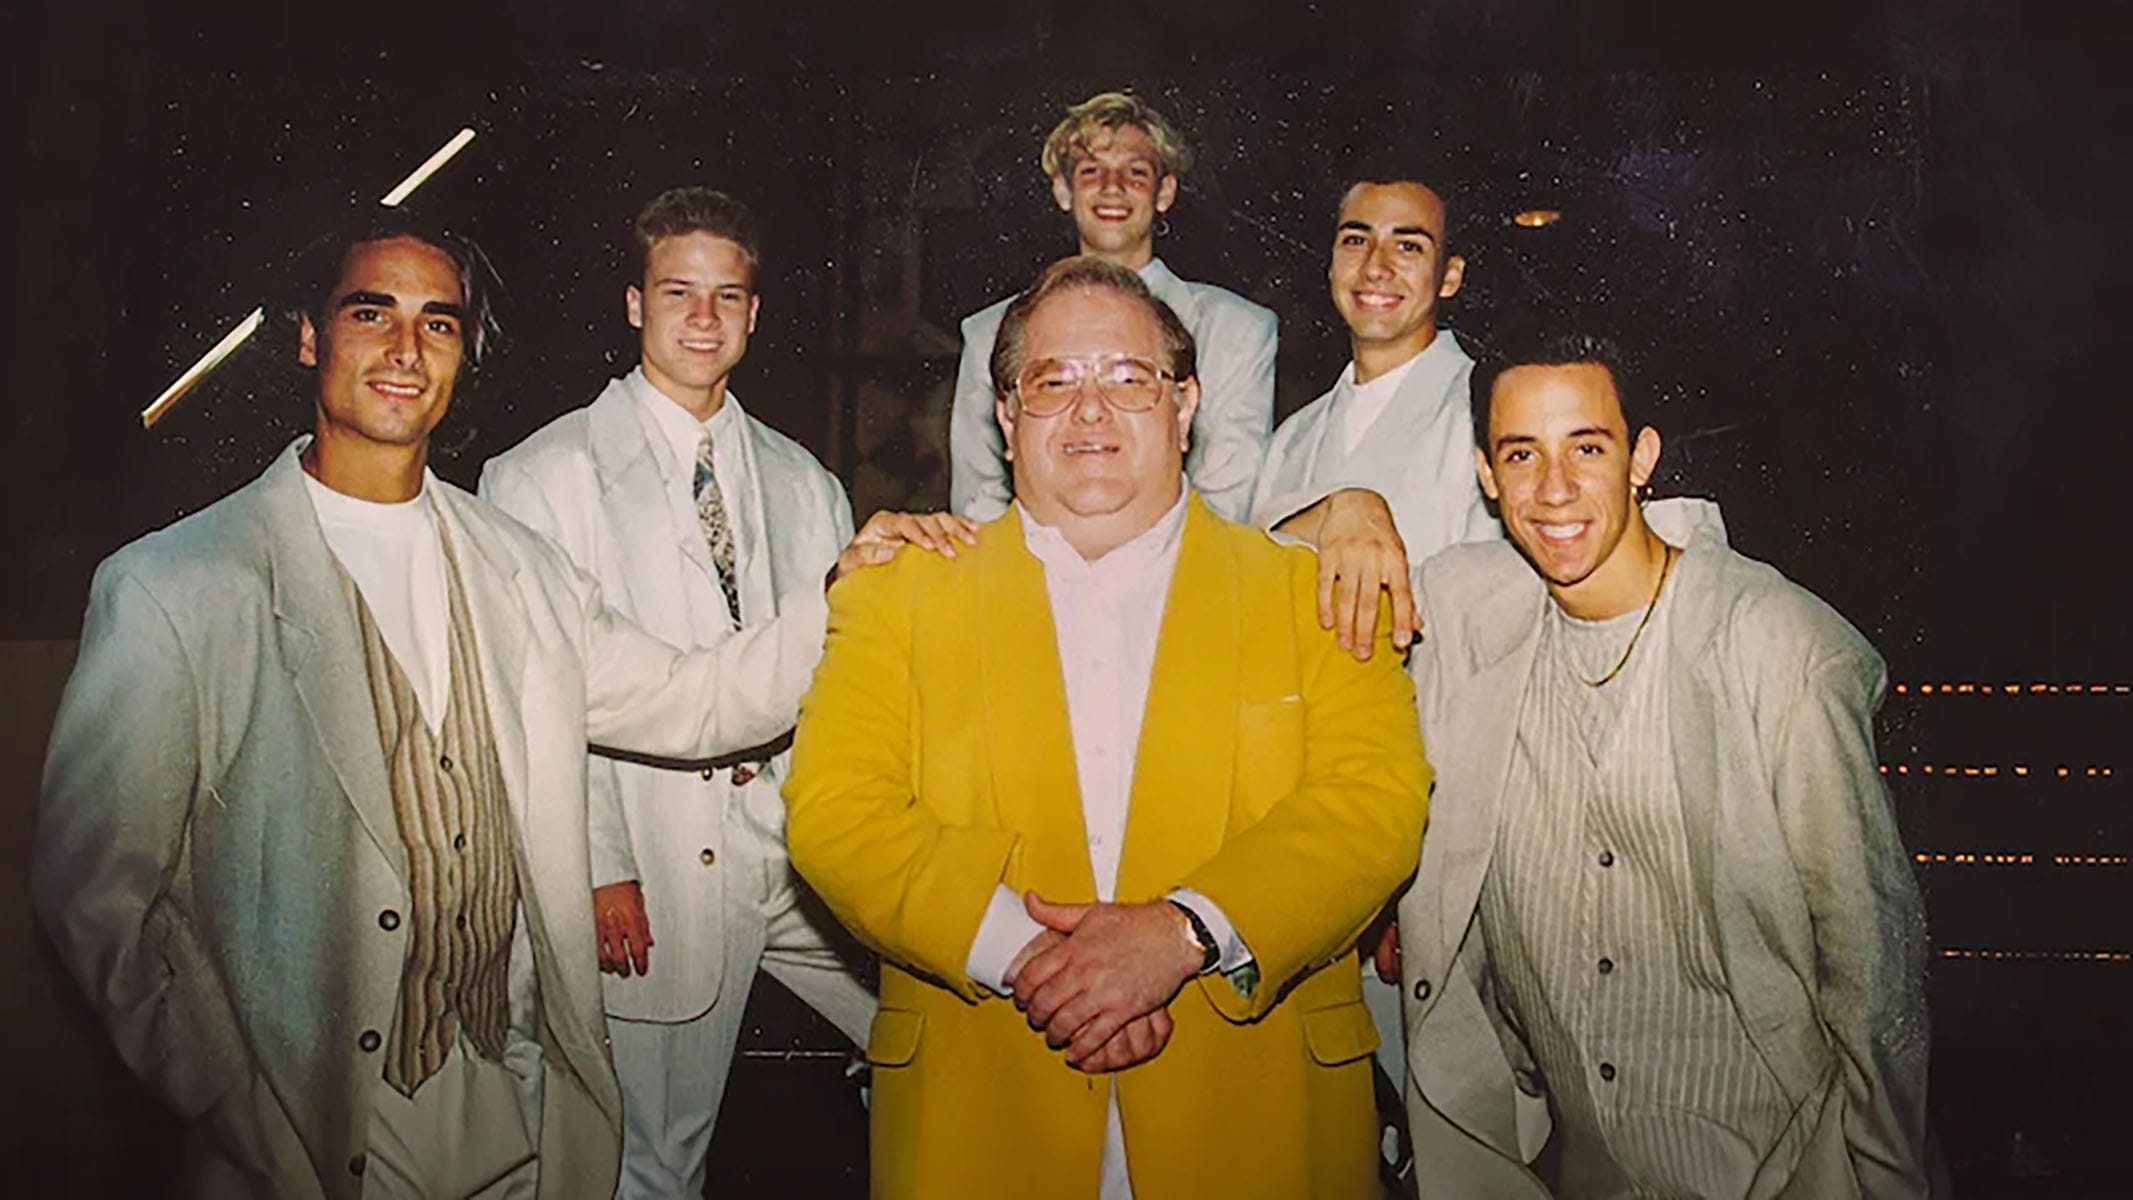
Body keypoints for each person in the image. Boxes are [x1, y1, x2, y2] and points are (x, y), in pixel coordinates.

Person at [33, 207, 955, 1200]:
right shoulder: (178, 585)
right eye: (370, 313)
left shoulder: (517, 570)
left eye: (437, 322)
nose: (405, 349)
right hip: (306, 1128)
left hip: (502, 1102)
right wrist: (223, 1091)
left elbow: (692, 700)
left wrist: (840, 588)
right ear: (307, 337)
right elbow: (96, 892)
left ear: (464, 352)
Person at [784, 255, 1429, 1199]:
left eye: (1129, 379)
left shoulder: (1313, 590)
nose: (1090, 412)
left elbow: (1374, 803)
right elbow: (835, 813)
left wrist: (1183, 935)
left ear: (1185, 405)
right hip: (985, 1107)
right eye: (1053, 382)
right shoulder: (897, 594)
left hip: (1257, 1115)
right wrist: (1036, 961)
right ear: (1006, 416)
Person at [1313, 328, 1934, 1196]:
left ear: (1641, 458)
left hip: (1785, 1171)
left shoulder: (1778, 648)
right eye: (1521, 454)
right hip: (1569, 1172)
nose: (1553, 489)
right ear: (1485, 475)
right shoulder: (1462, 609)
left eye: (1586, 447)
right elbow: (1258, 570)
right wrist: (1346, 507)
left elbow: (1873, 974)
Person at [479, 186, 893, 1198]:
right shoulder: (542, 475)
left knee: (921, 1033)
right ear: (634, 304)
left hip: (792, 842)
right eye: (677, 293)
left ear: (755, 312)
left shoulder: (804, 479)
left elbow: (837, 670)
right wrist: (595, 863)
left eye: (727, 296)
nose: (703, 318)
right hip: (653, 852)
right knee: (656, 1155)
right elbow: (544, 696)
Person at [1248, 163, 1500, 1100]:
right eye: (1356, 239)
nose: (1377, 264)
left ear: (1451, 275)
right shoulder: (1294, 438)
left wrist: (1415, 879)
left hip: (1426, 828)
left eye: (1409, 244)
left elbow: (1480, 665)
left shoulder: (1480, 415)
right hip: (1299, 818)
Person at [949, 90, 1276, 523]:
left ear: (1164, 192)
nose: (1112, 187)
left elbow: (1230, 498)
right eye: (1091, 171)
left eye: (1136, 172)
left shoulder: (1236, 330)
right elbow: (978, 500)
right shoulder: (987, 332)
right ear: (1063, 190)